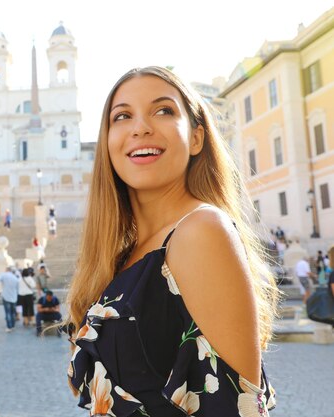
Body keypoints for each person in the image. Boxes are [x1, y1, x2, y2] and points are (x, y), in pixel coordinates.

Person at [64, 67, 278, 416]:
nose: (140, 127)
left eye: (163, 110)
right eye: (122, 116)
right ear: (106, 141)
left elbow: (241, 408)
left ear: (196, 138)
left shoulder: (201, 230)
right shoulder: (123, 255)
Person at [0, 266, 19, 333]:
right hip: (14, 297)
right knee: (13, 312)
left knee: (8, 312)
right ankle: (13, 326)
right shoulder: (15, 277)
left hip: (6, 296)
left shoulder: (3, 275)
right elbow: (17, 288)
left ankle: (9, 327)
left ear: (6, 270)